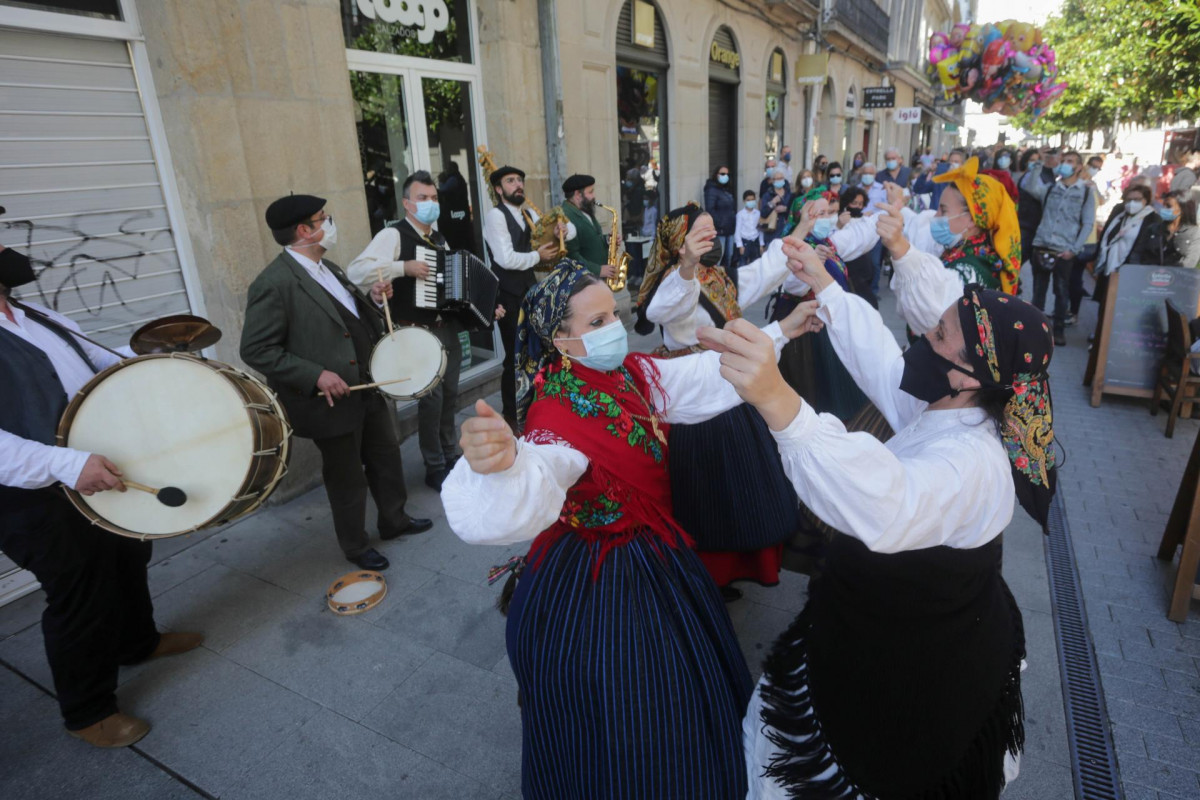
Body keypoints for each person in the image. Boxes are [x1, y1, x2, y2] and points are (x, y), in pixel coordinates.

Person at [441, 260, 821, 799]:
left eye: (612, 315)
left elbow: (696, 378)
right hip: (598, 569)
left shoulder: (629, 373)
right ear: (561, 340)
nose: (613, 328)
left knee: (678, 682)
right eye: (596, 323)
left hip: (655, 549)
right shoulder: (554, 418)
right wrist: (504, 465)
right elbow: (539, 475)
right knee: (623, 691)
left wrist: (781, 331)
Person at [724, 202, 1054, 797]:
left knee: (885, 758)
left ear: (973, 374)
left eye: (941, 335)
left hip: (913, 656)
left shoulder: (972, 460)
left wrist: (781, 404)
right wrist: (826, 284)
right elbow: (883, 362)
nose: (927, 337)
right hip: (881, 618)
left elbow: (885, 504)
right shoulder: (952, 407)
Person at [0, 238, 203, 748]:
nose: (6, 247)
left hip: (95, 469)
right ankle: (88, 711)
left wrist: (159, 363)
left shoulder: (36, 314)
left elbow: (100, 363)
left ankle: (138, 641)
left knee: (129, 552)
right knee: (80, 592)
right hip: (33, 494)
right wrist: (65, 464)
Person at [241, 194, 432, 571]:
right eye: (322, 219)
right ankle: (356, 545)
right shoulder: (274, 283)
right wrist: (315, 375)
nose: (329, 224)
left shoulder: (328, 268)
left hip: (367, 385)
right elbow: (256, 349)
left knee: (385, 456)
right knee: (346, 476)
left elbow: (349, 320)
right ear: (304, 231)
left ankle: (394, 520)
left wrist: (375, 299)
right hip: (331, 398)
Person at [638, 205, 799, 594]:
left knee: (738, 486)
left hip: (729, 382)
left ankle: (732, 567)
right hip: (694, 395)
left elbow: (757, 277)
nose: (711, 238)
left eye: (713, 231)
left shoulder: (718, 277)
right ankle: (705, 573)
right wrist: (688, 265)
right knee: (705, 490)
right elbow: (660, 308)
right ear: (680, 243)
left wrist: (804, 226)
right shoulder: (675, 281)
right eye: (701, 233)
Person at [347, 172, 500, 491]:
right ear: (406, 203)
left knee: (449, 396)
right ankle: (434, 466)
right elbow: (356, 271)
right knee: (430, 402)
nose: (430, 204)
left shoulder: (439, 238)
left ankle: (449, 454)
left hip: (446, 330)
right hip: (416, 333)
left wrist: (482, 307)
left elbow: (451, 286)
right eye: (422, 198)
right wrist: (403, 268)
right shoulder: (394, 236)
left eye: (434, 198)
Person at [769, 188, 882, 418]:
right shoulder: (789, 245)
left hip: (829, 325)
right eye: (819, 213)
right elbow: (790, 286)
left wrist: (890, 213)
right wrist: (810, 264)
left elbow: (860, 237)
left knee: (837, 387)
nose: (827, 218)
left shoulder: (828, 241)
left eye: (829, 212)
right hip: (806, 332)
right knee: (810, 391)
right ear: (802, 215)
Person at [483, 164, 573, 430]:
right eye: (510, 181)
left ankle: (534, 408)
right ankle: (511, 417)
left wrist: (562, 231)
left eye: (520, 180)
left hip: (529, 291)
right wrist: (538, 257)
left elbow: (570, 232)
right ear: (499, 189)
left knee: (535, 353)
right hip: (507, 295)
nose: (518, 185)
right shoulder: (496, 216)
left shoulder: (528, 212)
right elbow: (505, 258)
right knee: (514, 358)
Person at [1023, 150, 1097, 345]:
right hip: (1042, 244)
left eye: (1069, 161)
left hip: (1064, 249)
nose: (1064, 164)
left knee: (1061, 291)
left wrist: (1074, 249)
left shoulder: (1086, 191)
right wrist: (1039, 164)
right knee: (1039, 291)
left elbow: (1088, 223)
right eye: (1063, 161)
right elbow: (1031, 188)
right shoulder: (1050, 188)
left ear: (1079, 167)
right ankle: (1035, 329)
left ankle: (1057, 331)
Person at [1091, 184, 1166, 308]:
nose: (1131, 203)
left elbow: (1151, 249)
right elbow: (1107, 234)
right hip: (1109, 267)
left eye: (1137, 200)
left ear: (1146, 200)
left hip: (1130, 271)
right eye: (1129, 199)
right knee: (1104, 307)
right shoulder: (1119, 212)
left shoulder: (1153, 219)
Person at [559, 173, 616, 281]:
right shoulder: (565, 216)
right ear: (577, 194)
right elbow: (571, 256)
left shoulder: (584, 209)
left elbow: (589, 238)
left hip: (596, 280)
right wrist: (598, 270)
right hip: (584, 281)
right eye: (590, 192)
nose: (594, 196)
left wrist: (608, 240)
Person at [837, 187, 876, 307]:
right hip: (849, 269)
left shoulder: (864, 220)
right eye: (854, 203)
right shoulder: (839, 219)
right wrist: (840, 224)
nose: (857, 207)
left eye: (860, 204)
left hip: (864, 268)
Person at [435, 160, 475, 253]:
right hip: (460, 211)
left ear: (452, 169)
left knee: (457, 237)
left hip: (456, 213)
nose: (446, 170)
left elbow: (443, 190)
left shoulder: (454, 179)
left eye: (448, 168)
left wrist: (441, 180)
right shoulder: (458, 178)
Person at [704, 165, 737, 267]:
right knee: (718, 257)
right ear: (716, 175)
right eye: (722, 174)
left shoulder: (727, 189)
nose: (725, 176)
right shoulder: (711, 190)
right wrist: (720, 224)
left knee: (729, 256)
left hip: (730, 230)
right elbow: (710, 210)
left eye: (727, 174)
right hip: (720, 230)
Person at [1161, 190, 1200, 269]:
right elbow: (1141, 253)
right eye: (1163, 205)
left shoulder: (1194, 233)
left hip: (1178, 277)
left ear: (1182, 209)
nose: (1164, 209)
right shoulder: (1154, 229)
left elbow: (1190, 261)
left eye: (1168, 206)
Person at [734, 189, 764, 279]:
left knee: (756, 263)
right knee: (743, 264)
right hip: (745, 241)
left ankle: (754, 280)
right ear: (744, 201)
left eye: (752, 199)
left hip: (755, 241)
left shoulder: (758, 213)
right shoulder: (740, 214)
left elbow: (760, 229)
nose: (750, 202)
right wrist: (740, 245)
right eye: (748, 200)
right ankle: (742, 280)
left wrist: (761, 244)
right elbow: (737, 230)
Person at [760, 168, 792, 245]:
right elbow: (763, 213)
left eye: (781, 178)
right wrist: (772, 202)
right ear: (773, 180)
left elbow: (794, 211)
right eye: (777, 179)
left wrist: (785, 209)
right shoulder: (767, 195)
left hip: (787, 233)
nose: (779, 180)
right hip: (772, 234)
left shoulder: (789, 194)